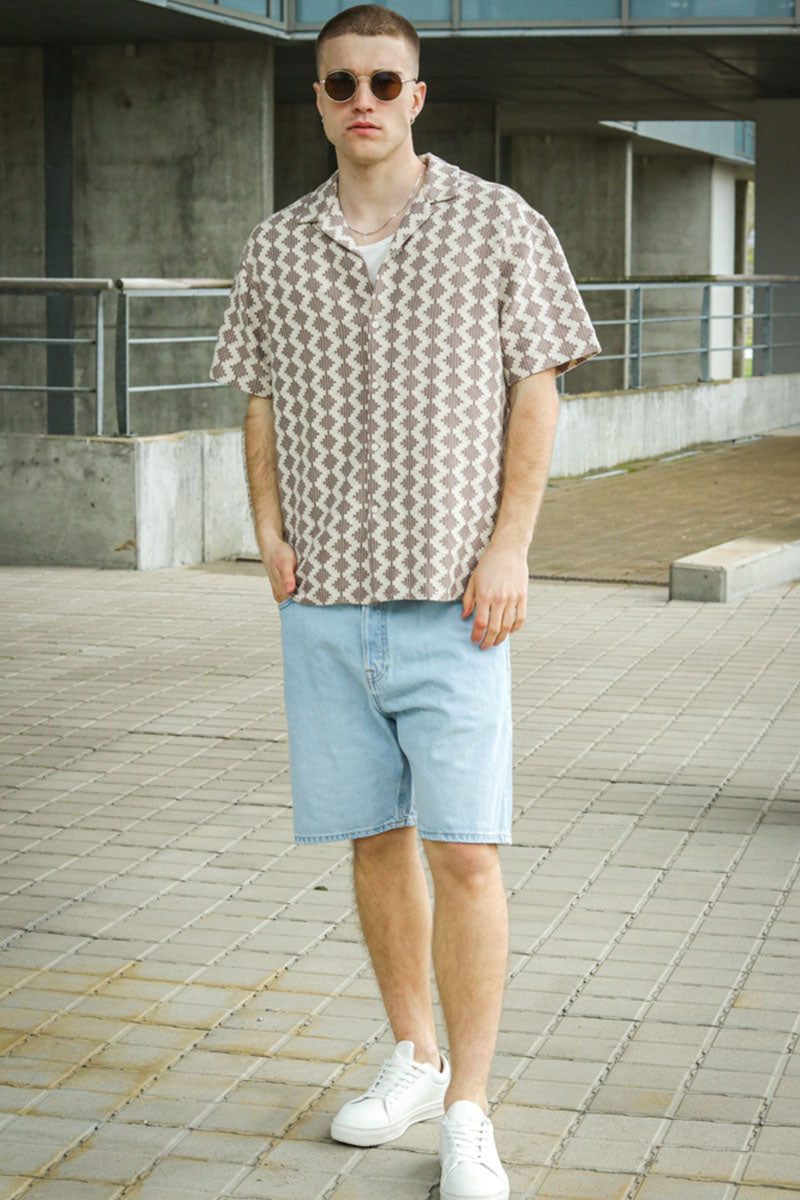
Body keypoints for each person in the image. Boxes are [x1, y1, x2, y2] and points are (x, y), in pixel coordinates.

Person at [210, 6, 600, 1197]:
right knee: (372, 840)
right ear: (318, 100)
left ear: (417, 95)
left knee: (464, 850)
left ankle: (468, 1109)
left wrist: (509, 548)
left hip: (452, 598)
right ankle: (413, 1058)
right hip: (324, 598)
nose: (362, 100)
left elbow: (536, 389)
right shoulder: (277, 245)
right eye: (341, 83)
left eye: (384, 81)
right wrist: (267, 533)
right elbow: (259, 396)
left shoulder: (496, 223)